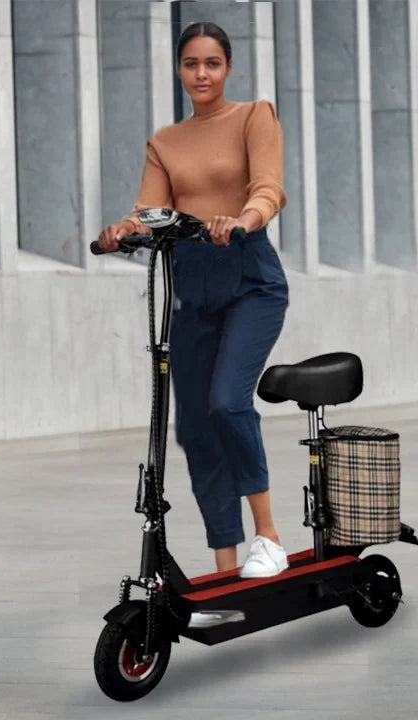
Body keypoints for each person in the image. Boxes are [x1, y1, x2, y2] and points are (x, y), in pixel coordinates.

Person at [97, 22, 289, 578]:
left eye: (211, 63)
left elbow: (268, 188)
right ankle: (226, 565)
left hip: (251, 281)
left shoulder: (255, 116)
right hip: (192, 290)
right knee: (195, 429)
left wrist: (243, 221)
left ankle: (269, 537)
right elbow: (150, 211)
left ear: (227, 68)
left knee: (228, 401)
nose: (201, 74)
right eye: (190, 64)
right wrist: (121, 230)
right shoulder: (165, 141)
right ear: (179, 69)